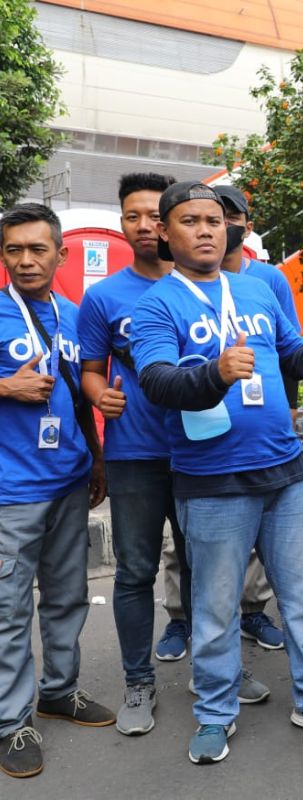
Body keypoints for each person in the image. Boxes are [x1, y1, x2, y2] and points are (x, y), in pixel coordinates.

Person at [130, 181, 303, 764]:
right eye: (189, 220)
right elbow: (157, 381)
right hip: (212, 482)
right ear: (165, 232)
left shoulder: (256, 290)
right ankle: (214, 713)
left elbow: (296, 357)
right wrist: (216, 373)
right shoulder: (156, 304)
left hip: (286, 473)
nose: (205, 230)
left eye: (213, 219)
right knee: (214, 608)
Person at [79, 175, 271, 737]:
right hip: (138, 453)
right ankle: (139, 681)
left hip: (210, 450)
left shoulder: (223, 284)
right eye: (132, 216)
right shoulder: (104, 296)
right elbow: (90, 371)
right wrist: (100, 395)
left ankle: (217, 674)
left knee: (211, 569)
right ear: (128, 224)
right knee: (136, 571)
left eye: (150, 215)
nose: (143, 226)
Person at [0, 203, 114, 779]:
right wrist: (5, 385)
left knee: (67, 596)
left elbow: (75, 395)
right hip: (10, 492)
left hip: (70, 483)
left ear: (60, 254)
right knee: (9, 609)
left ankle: (58, 691)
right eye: (14, 250)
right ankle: (10, 721)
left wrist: (95, 460)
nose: (25, 260)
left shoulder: (72, 316)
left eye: (37, 249)